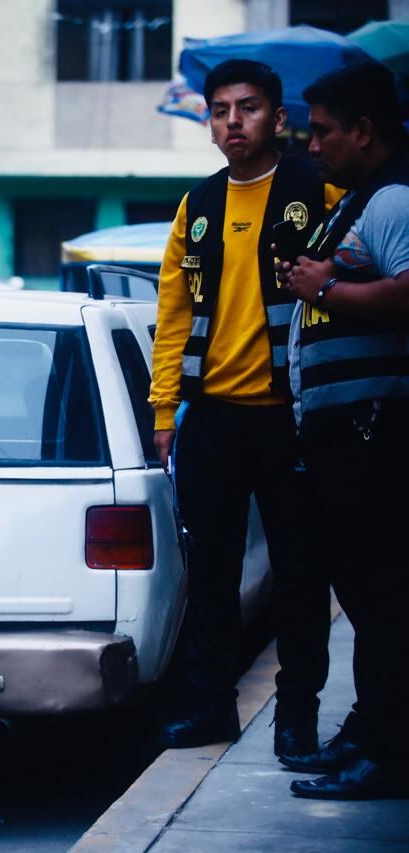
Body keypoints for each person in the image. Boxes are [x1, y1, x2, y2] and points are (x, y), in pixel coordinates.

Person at [149, 60, 340, 754]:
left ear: (279, 119)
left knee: (298, 572)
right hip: (212, 419)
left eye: (250, 108)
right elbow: (171, 315)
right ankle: (210, 707)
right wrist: (165, 414)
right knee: (212, 578)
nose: (234, 121)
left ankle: (297, 715)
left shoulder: (319, 191)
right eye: (222, 110)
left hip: (292, 415)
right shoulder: (196, 206)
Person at [277, 62, 409, 800]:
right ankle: (371, 731)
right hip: (344, 434)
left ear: (364, 129)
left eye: (323, 130)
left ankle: (387, 754)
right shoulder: (364, 196)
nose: (313, 144)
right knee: (367, 598)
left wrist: (325, 286)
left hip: (375, 432)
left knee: (384, 597)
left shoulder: (395, 198)